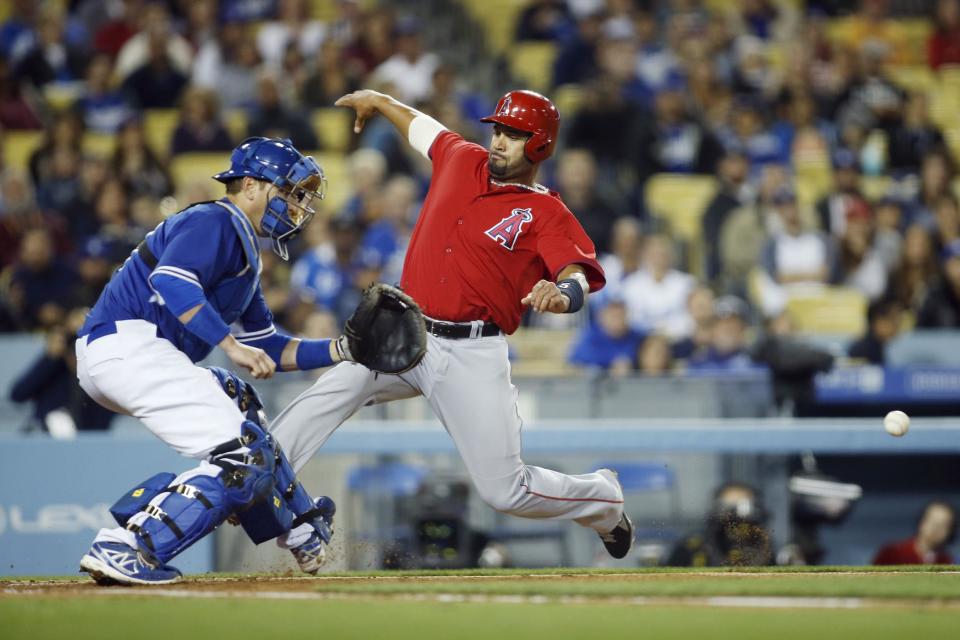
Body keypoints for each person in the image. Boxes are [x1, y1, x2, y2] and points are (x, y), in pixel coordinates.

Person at [269, 88, 635, 560]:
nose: (499, 140)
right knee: (326, 395)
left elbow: (577, 273)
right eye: (498, 129)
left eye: (515, 134)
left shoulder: (546, 211)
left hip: (471, 353)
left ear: (541, 145)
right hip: (405, 332)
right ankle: (260, 484)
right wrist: (380, 101)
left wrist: (563, 295)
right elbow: (420, 126)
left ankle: (602, 499)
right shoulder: (461, 158)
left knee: (505, 492)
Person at [74, 137, 344, 585]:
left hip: (129, 353)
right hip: (128, 346)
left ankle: (297, 526)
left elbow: (271, 348)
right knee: (241, 456)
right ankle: (128, 546)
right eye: (290, 191)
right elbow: (173, 281)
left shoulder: (242, 250)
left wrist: (343, 349)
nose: (296, 205)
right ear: (254, 186)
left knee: (240, 404)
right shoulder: (214, 219)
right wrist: (231, 346)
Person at [665, 482, 773, 567]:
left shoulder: (761, 546)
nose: (738, 520)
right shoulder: (692, 546)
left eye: (746, 507)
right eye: (731, 508)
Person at [874, 501, 956, 565]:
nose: (936, 529)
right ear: (921, 522)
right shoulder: (891, 553)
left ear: (950, 531)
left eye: (943, 525)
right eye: (932, 522)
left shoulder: (947, 561)